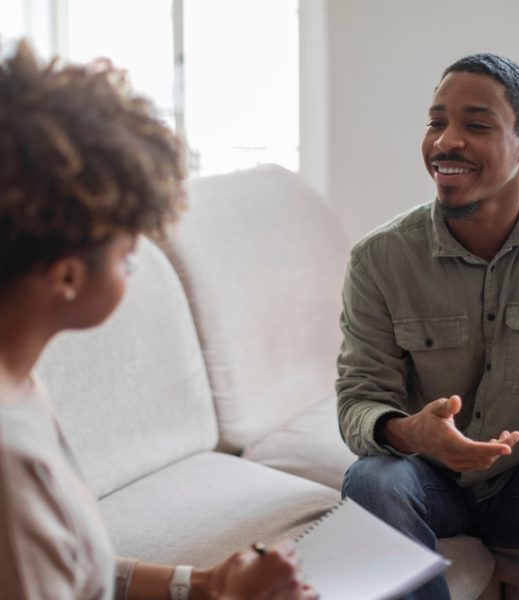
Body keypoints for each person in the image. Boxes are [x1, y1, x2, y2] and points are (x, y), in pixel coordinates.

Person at [0, 39, 318, 600]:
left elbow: (74, 563)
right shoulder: (10, 460)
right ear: (67, 277)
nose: (135, 269)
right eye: (127, 255)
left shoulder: (19, 379)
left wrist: (200, 586)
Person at [336, 52, 519, 599]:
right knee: (369, 480)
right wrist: (409, 432)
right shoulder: (378, 259)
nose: (445, 142)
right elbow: (360, 398)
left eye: (475, 125)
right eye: (436, 122)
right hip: (426, 481)